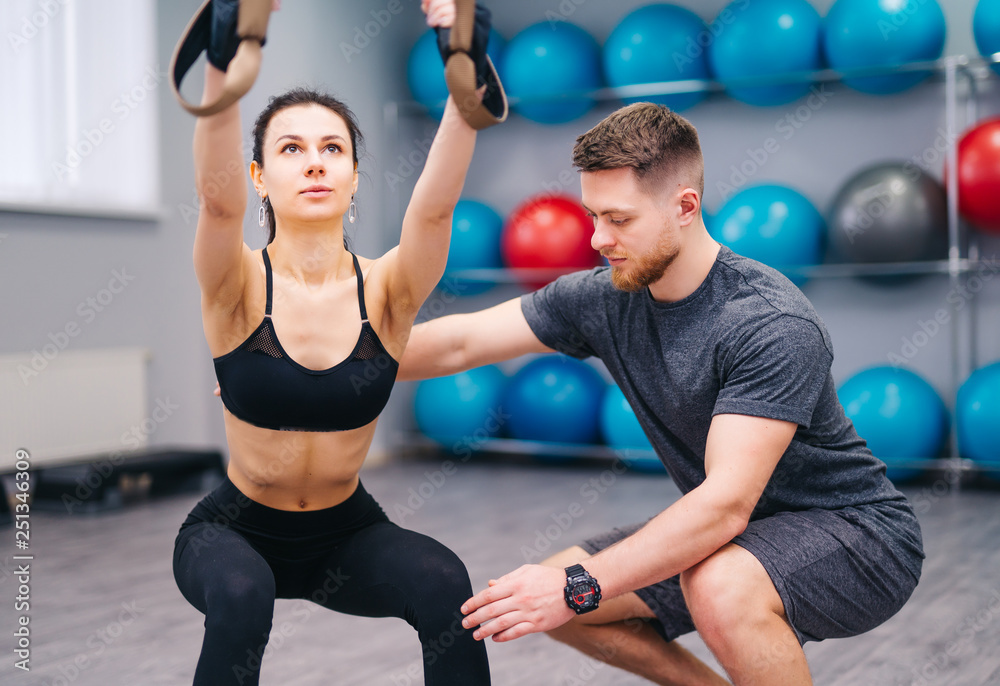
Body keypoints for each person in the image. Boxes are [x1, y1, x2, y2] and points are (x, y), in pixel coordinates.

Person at [397, 102, 925, 685]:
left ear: (685, 206)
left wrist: (580, 587)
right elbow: (459, 344)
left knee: (696, 584)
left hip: (859, 536)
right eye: (593, 215)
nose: (598, 238)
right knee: (552, 588)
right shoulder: (604, 298)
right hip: (738, 533)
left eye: (619, 219)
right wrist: (323, 360)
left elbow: (724, 504)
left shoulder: (767, 321)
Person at [171, 2, 494, 684]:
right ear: (260, 175)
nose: (314, 164)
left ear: (352, 178)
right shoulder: (236, 285)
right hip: (233, 530)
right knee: (240, 595)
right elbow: (217, 205)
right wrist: (225, 59)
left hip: (344, 531)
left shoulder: (388, 290)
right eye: (291, 148)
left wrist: (461, 77)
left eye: (332, 149)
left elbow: (434, 210)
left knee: (445, 583)